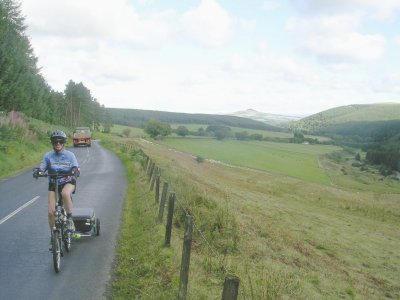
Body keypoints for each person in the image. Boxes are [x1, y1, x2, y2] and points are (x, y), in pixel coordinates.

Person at [34, 130, 80, 250]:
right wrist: (38, 172)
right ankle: (52, 236)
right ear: (52, 143)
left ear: (64, 143)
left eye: (60, 141)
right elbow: (42, 169)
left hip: (68, 182)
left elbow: (76, 168)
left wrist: (75, 171)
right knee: (51, 213)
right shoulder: (48, 156)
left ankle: (69, 219)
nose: (58, 143)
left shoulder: (70, 155)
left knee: (65, 193)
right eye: (55, 141)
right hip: (53, 183)